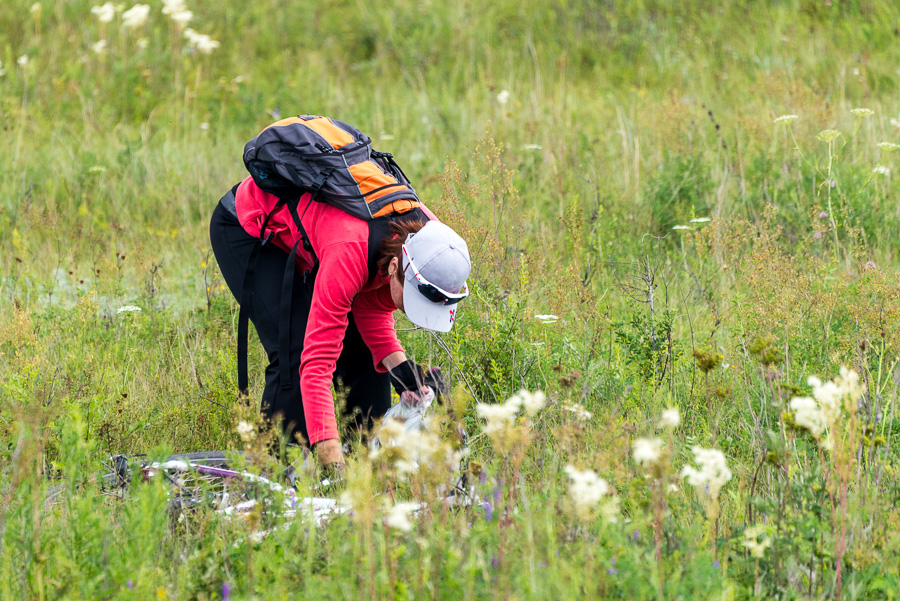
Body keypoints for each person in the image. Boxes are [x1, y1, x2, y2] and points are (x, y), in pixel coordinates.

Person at [209, 119, 471, 470]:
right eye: (410, 301)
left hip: (327, 239)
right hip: (249, 230)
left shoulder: (430, 238)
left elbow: (371, 299)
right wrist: (332, 461)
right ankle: (279, 472)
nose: (410, 311)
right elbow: (316, 365)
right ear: (396, 268)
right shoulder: (350, 250)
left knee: (364, 355)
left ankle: (364, 458)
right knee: (296, 345)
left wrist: (399, 366)